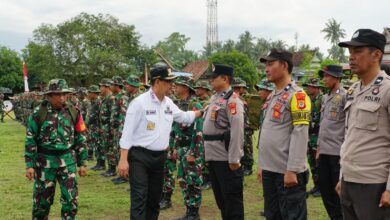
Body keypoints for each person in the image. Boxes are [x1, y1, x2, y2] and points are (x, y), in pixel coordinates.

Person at [118, 64, 203, 220]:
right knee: (139, 197)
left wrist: (203, 111)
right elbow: (127, 133)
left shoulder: (168, 103)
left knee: (154, 199)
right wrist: (123, 159)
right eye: (168, 81)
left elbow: (184, 117)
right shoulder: (139, 103)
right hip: (139, 157)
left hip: (159, 158)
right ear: (157, 81)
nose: (171, 85)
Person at [335, 29, 390, 219]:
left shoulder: (387, 89)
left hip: (374, 183)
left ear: (376, 54)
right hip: (349, 180)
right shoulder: (353, 90)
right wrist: (343, 174)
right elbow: (350, 136)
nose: (351, 57)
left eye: (358, 52)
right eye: (350, 52)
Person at [258, 48, 311, 220]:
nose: (266, 68)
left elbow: (300, 133)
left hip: (287, 172)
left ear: (284, 66)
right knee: (272, 215)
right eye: (266, 64)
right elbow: (266, 132)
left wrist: (293, 170)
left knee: (292, 216)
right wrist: (262, 164)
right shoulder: (272, 95)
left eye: (271, 64)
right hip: (270, 169)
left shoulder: (298, 96)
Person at [24, 79, 87, 219]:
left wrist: (82, 163)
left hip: (68, 162)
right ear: (49, 95)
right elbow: (30, 140)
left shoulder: (74, 111)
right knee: (41, 204)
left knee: (71, 202)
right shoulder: (38, 113)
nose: (62, 98)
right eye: (58, 95)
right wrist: (29, 165)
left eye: (64, 94)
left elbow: (80, 137)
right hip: (45, 164)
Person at [203, 64, 245, 220]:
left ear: (225, 79)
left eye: (214, 78)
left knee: (232, 203)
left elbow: (237, 131)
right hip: (213, 156)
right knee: (222, 201)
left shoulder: (232, 100)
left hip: (225, 158)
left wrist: (234, 159)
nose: (211, 81)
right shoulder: (215, 98)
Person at [172, 76, 204, 220]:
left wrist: (193, 153)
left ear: (185, 87)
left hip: (191, 150)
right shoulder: (179, 105)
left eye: (177, 85)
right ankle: (188, 210)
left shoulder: (195, 105)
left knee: (193, 181)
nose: (174, 87)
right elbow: (175, 128)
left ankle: (194, 213)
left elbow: (198, 132)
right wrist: (174, 147)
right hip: (181, 149)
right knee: (183, 180)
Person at [316, 64, 346, 220]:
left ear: (336, 77)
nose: (324, 79)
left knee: (338, 190)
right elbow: (323, 124)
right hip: (324, 152)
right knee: (324, 188)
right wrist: (319, 148)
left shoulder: (345, 96)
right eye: (324, 76)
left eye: (327, 76)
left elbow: (348, 126)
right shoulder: (325, 97)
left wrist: (345, 152)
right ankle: (333, 216)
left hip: (337, 152)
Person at [302, 78, 323, 197]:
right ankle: (316, 186)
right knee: (311, 162)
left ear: (316, 87)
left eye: (310, 86)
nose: (308, 88)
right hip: (309, 135)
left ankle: (321, 187)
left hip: (318, 136)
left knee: (318, 163)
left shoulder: (322, 99)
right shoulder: (308, 99)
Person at [194, 80, 212, 190]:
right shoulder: (196, 101)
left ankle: (208, 179)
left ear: (204, 89)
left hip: (205, 132)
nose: (196, 90)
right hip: (198, 132)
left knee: (206, 156)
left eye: (198, 88)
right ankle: (203, 177)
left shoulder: (208, 102)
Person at [87, 85, 101, 161]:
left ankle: (100, 162)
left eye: (90, 92)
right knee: (93, 142)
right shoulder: (92, 102)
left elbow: (100, 115)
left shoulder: (98, 102)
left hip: (97, 126)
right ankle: (96, 160)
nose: (88, 94)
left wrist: (100, 127)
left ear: (94, 93)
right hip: (92, 126)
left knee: (98, 144)